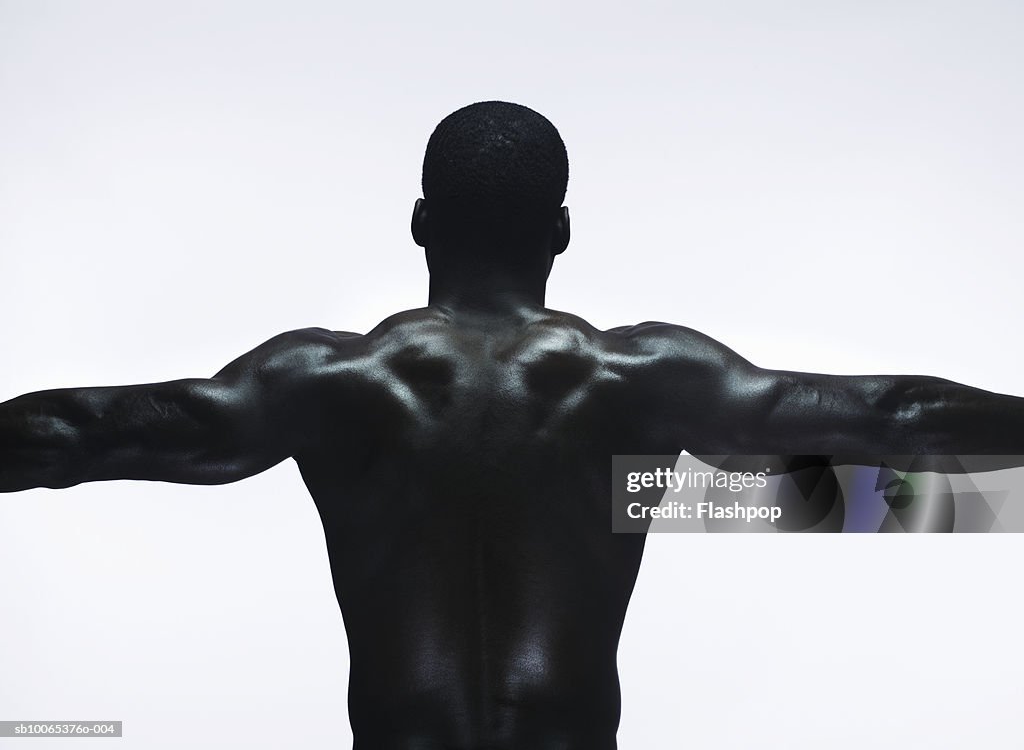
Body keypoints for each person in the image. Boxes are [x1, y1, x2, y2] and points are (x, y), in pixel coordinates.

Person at [2, 101, 1022, 750]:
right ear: (562, 233)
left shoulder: (322, 381)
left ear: (418, 221)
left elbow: (86, 433)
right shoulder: (641, 379)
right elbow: (892, 417)